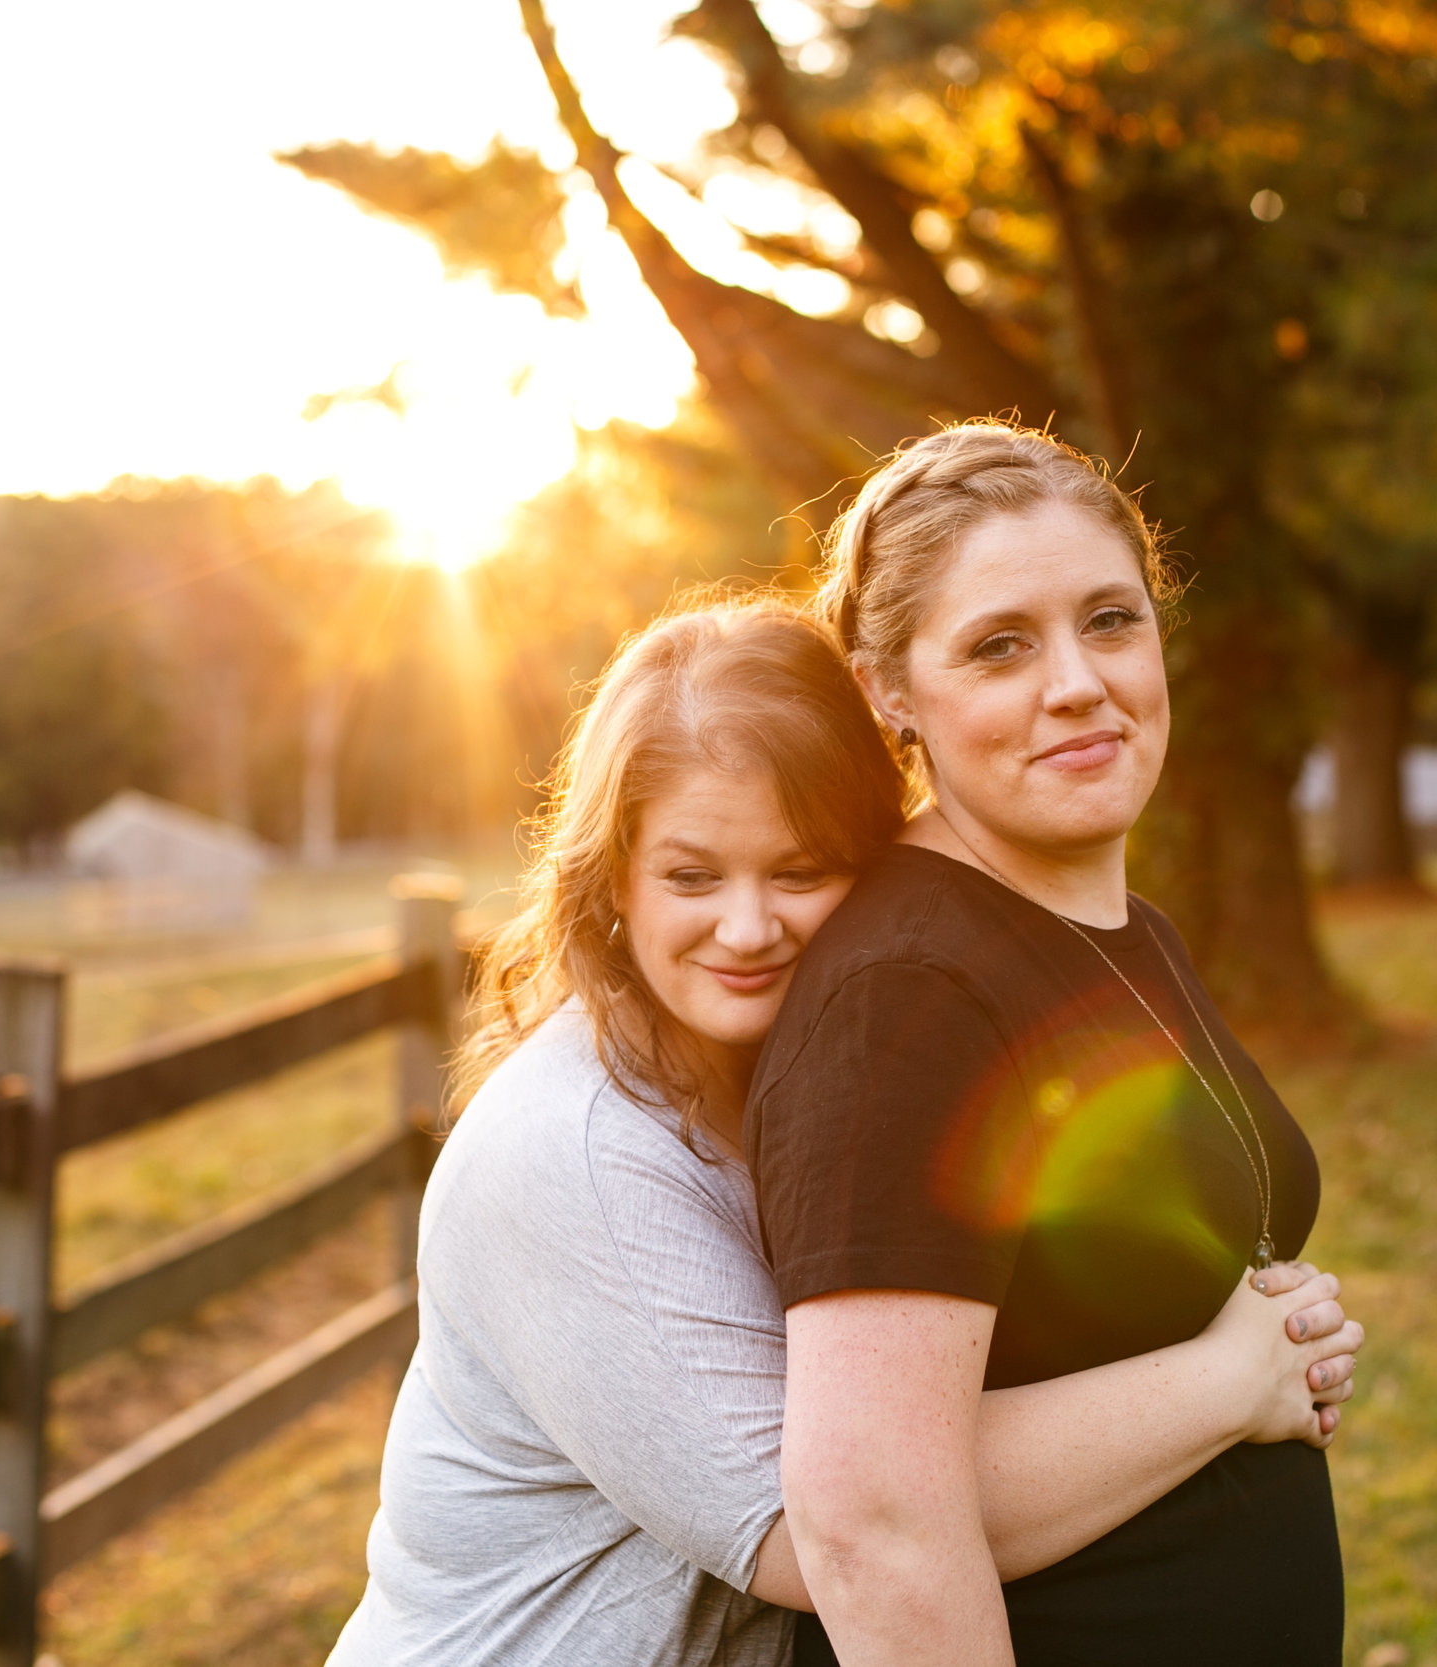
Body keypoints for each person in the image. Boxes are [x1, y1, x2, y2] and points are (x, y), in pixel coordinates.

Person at [326, 597, 1360, 1667]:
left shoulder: (797, 1067)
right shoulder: (575, 1153)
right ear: (611, 882)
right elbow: (832, 1534)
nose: (746, 926)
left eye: (799, 869)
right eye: (691, 874)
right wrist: (1226, 1383)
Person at [748, 421, 1348, 1665]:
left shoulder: (1112, 920)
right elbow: (871, 1523)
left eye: (1111, 620)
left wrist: (1268, 1352)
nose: (1076, 681)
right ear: (888, 690)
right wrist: (1233, 1383)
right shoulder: (905, 992)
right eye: (999, 645)